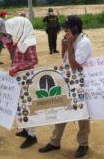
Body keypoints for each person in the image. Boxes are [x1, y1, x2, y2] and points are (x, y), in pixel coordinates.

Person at [39, 15, 92, 158]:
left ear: (75, 29)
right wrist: (64, 45)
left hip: (81, 83)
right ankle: (55, 142)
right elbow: (65, 61)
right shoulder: (72, 40)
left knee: (82, 115)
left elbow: (75, 65)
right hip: (68, 81)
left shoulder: (84, 42)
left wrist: (69, 44)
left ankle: (83, 144)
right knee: (61, 110)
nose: (65, 31)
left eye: (67, 28)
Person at [5, 16, 38, 149]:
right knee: (21, 105)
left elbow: (33, 61)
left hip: (27, 79)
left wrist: (15, 68)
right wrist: (9, 43)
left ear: (20, 27)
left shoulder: (29, 42)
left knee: (28, 106)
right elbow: (15, 56)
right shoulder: (21, 40)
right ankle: (25, 129)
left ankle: (32, 135)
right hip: (20, 78)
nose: (11, 32)